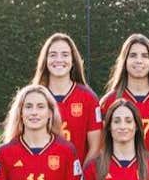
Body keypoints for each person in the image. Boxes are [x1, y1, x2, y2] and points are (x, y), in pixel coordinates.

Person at [99, 33, 149, 166]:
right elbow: (102, 146)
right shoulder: (109, 101)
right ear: (124, 61)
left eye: (145, 56)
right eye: (133, 55)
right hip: (120, 178)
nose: (139, 60)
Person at [31, 32, 103, 160]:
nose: (59, 60)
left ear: (73, 60)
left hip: (78, 178)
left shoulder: (89, 98)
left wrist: (80, 177)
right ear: (45, 60)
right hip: (42, 176)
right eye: (53, 55)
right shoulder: (33, 97)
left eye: (65, 55)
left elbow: (96, 147)